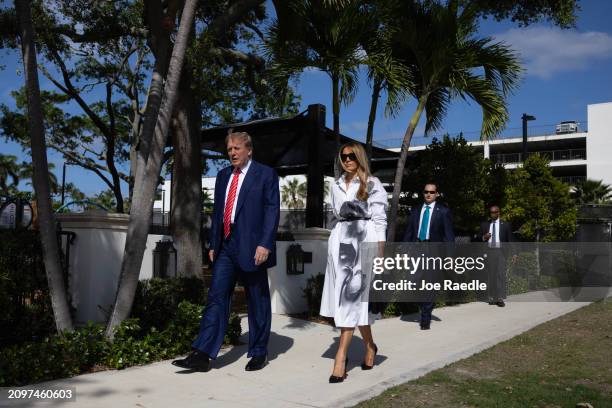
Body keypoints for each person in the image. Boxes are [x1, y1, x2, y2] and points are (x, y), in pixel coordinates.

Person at [172, 131, 280, 372]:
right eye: (229, 149)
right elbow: (219, 212)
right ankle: (202, 354)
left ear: (248, 150)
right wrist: (213, 244)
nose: (232, 152)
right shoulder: (222, 176)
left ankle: (259, 352)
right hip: (226, 248)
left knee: (257, 300)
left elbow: (272, 211)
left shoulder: (265, 174)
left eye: (237, 148)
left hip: (254, 248)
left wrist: (265, 244)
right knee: (216, 297)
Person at [320, 142, 388, 383]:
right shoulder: (335, 186)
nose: (347, 160)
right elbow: (335, 216)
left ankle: (341, 358)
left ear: (359, 158)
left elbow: (380, 220)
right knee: (351, 301)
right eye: (343, 156)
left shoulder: (372, 184)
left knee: (350, 299)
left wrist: (380, 252)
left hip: (364, 240)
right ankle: (370, 346)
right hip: (340, 241)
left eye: (351, 156)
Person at [403, 182, 455, 330]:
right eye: (426, 191)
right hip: (417, 248)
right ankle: (423, 306)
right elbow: (409, 232)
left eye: (432, 192)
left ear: (437, 194)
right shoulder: (416, 210)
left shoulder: (443, 211)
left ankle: (425, 317)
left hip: (433, 250)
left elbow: (449, 236)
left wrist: (450, 256)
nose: (428, 194)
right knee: (413, 282)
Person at [479, 205, 515, 307]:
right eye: (491, 212)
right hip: (489, 252)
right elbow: (477, 239)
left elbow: (510, 240)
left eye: (495, 212)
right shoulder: (484, 225)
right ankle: (491, 297)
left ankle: (499, 298)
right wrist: (483, 237)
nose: (493, 214)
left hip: (501, 252)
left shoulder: (506, 225)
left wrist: (514, 253)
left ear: (499, 213)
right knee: (491, 275)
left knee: (500, 274)